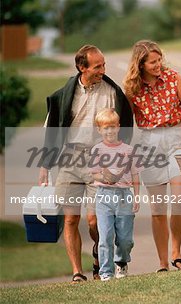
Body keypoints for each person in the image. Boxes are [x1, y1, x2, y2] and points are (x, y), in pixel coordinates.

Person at [38, 45, 133, 283]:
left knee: (95, 220)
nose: (103, 69)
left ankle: (99, 256)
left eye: (103, 64)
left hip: (100, 160)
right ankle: (77, 273)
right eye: (97, 66)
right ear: (82, 67)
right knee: (70, 219)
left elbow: (125, 128)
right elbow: (51, 130)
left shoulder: (112, 92)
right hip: (69, 159)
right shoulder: (64, 94)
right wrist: (45, 166)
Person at [123, 40, 181, 272]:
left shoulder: (174, 77)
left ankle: (176, 251)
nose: (158, 64)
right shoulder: (132, 88)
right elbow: (126, 124)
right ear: (140, 64)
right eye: (153, 62)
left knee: (180, 199)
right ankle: (163, 261)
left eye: (159, 59)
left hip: (177, 138)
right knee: (158, 209)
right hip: (149, 143)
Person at [90, 108, 140, 281]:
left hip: (124, 195)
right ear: (99, 130)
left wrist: (137, 196)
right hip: (104, 196)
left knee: (125, 239)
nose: (109, 131)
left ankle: (122, 262)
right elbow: (94, 173)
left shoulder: (128, 149)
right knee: (105, 237)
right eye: (105, 128)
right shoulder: (97, 149)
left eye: (112, 127)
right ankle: (106, 272)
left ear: (118, 127)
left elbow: (135, 174)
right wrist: (104, 176)